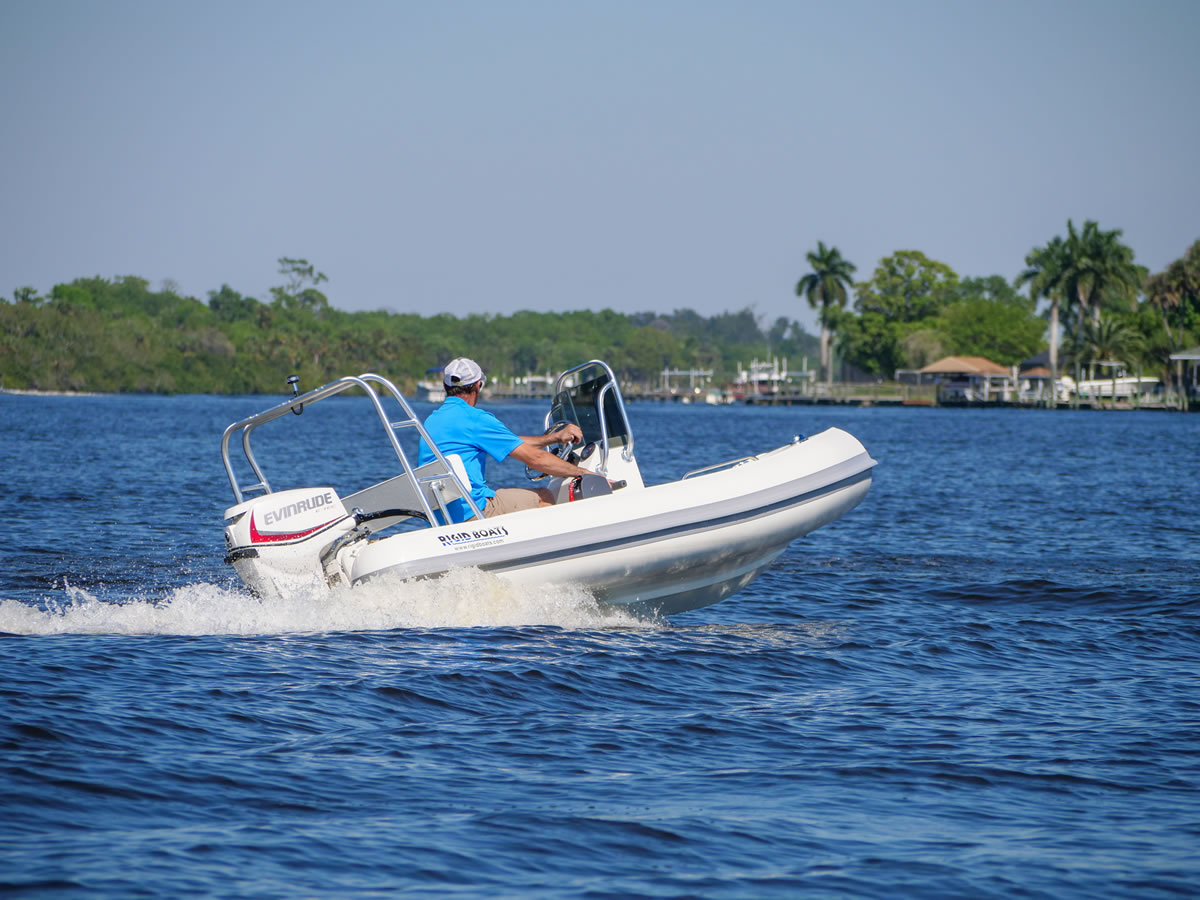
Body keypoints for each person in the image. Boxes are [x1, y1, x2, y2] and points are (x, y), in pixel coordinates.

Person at [416, 357, 595, 523]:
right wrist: (582, 473)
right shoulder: (476, 419)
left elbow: (509, 442)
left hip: (441, 517)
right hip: (472, 512)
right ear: (478, 386)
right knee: (544, 496)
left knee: (500, 494)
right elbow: (537, 459)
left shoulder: (432, 421)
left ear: (445, 386)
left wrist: (553, 438)